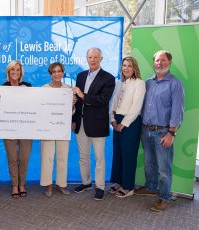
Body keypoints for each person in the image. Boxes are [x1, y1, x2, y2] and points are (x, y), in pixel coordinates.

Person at [134, 50, 184, 212]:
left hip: (163, 132)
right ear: (153, 62)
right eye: (156, 60)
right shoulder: (148, 83)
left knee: (164, 168)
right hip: (146, 130)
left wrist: (171, 133)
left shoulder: (175, 83)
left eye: (163, 60)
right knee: (149, 164)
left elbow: (177, 110)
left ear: (169, 62)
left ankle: (164, 197)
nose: (159, 63)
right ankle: (151, 187)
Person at [72, 47, 115, 200]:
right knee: (83, 156)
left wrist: (82, 95)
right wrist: (74, 119)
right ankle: (85, 182)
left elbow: (103, 100)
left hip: (97, 124)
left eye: (96, 57)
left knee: (99, 158)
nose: (93, 60)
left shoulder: (108, 78)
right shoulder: (81, 76)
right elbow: (78, 101)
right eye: (90, 57)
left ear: (101, 59)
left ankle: (100, 186)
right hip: (81, 122)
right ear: (87, 58)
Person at [109, 57, 145, 198]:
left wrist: (123, 124)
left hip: (130, 122)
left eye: (129, 65)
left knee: (129, 155)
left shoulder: (139, 83)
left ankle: (128, 186)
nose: (126, 68)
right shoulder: (119, 83)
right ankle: (118, 181)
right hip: (117, 120)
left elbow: (136, 107)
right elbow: (113, 103)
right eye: (124, 65)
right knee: (118, 153)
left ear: (134, 68)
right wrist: (112, 119)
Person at [40, 62, 75, 197]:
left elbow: (71, 112)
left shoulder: (68, 89)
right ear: (50, 74)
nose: (57, 74)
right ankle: (48, 185)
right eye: (54, 72)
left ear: (63, 73)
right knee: (47, 157)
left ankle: (61, 184)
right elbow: (39, 108)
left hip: (62, 128)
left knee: (62, 157)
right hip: (47, 128)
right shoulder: (43, 89)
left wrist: (72, 105)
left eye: (59, 71)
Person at [2, 60, 32, 199]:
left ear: (21, 72)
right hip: (9, 128)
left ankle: (22, 184)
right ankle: (15, 185)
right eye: (12, 69)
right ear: (8, 72)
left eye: (18, 70)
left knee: (24, 158)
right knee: (12, 158)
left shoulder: (28, 86)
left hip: (26, 128)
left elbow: (34, 106)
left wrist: (27, 93)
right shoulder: (3, 87)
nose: (15, 72)